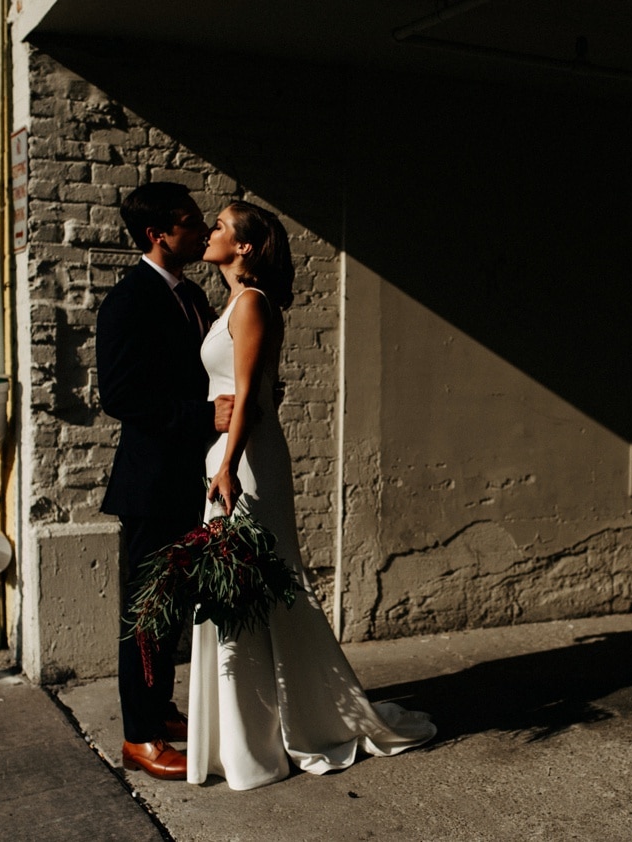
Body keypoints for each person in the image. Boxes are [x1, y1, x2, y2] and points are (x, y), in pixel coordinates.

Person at [190, 201, 437, 790]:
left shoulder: (251, 304)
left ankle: (268, 742)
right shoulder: (234, 302)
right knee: (236, 591)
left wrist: (227, 465)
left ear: (245, 247)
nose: (210, 232)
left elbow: (251, 395)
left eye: (221, 227)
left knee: (255, 587)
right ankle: (245, 740)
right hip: (230, 454)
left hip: (245, 462)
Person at [97, 182, 234, 780]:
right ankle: (139, 736)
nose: (201, 231)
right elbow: (120, 396)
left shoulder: (192, 296)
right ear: (159, 233)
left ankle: (161, 709)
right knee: (147, 612)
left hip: (189, 479)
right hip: (152, 484)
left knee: (173, 608)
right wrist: (204, 417)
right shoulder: (129, 300)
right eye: (189, 222)